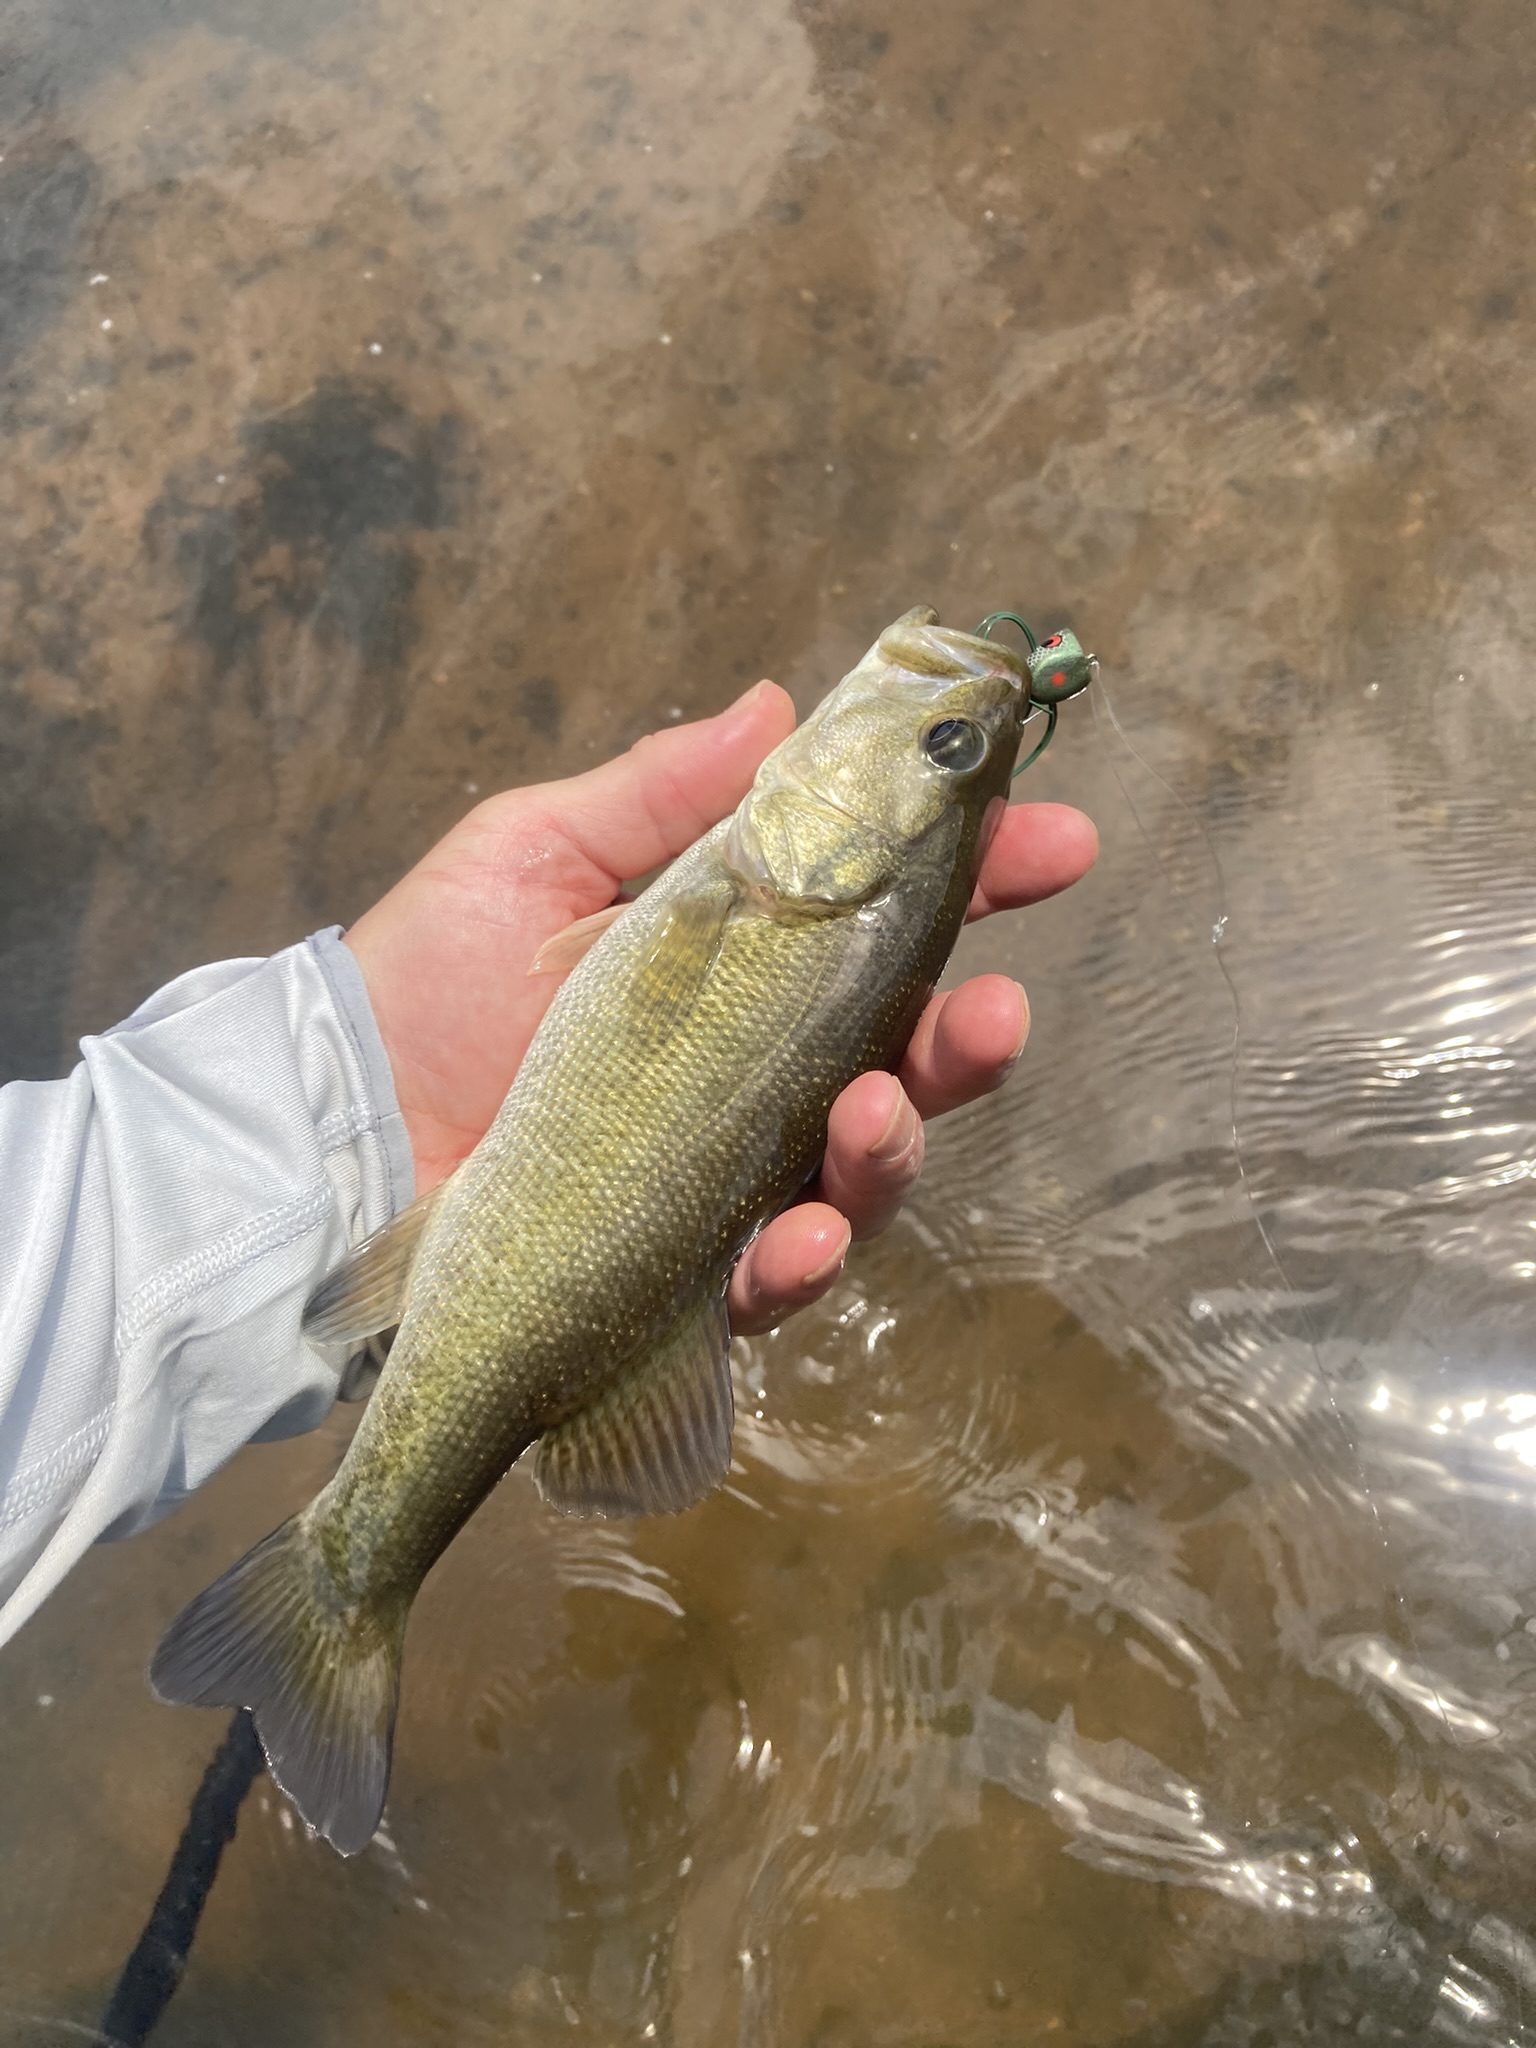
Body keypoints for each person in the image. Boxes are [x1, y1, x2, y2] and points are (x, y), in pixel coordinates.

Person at [0, 680, 1097, 1646]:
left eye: (939, 743)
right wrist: (341, 1100)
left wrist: (345, 1109)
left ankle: (347, 1579)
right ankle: (344, 1582)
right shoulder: (770, 885)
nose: (948, 715)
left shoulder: (765, 883)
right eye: (948, 744)